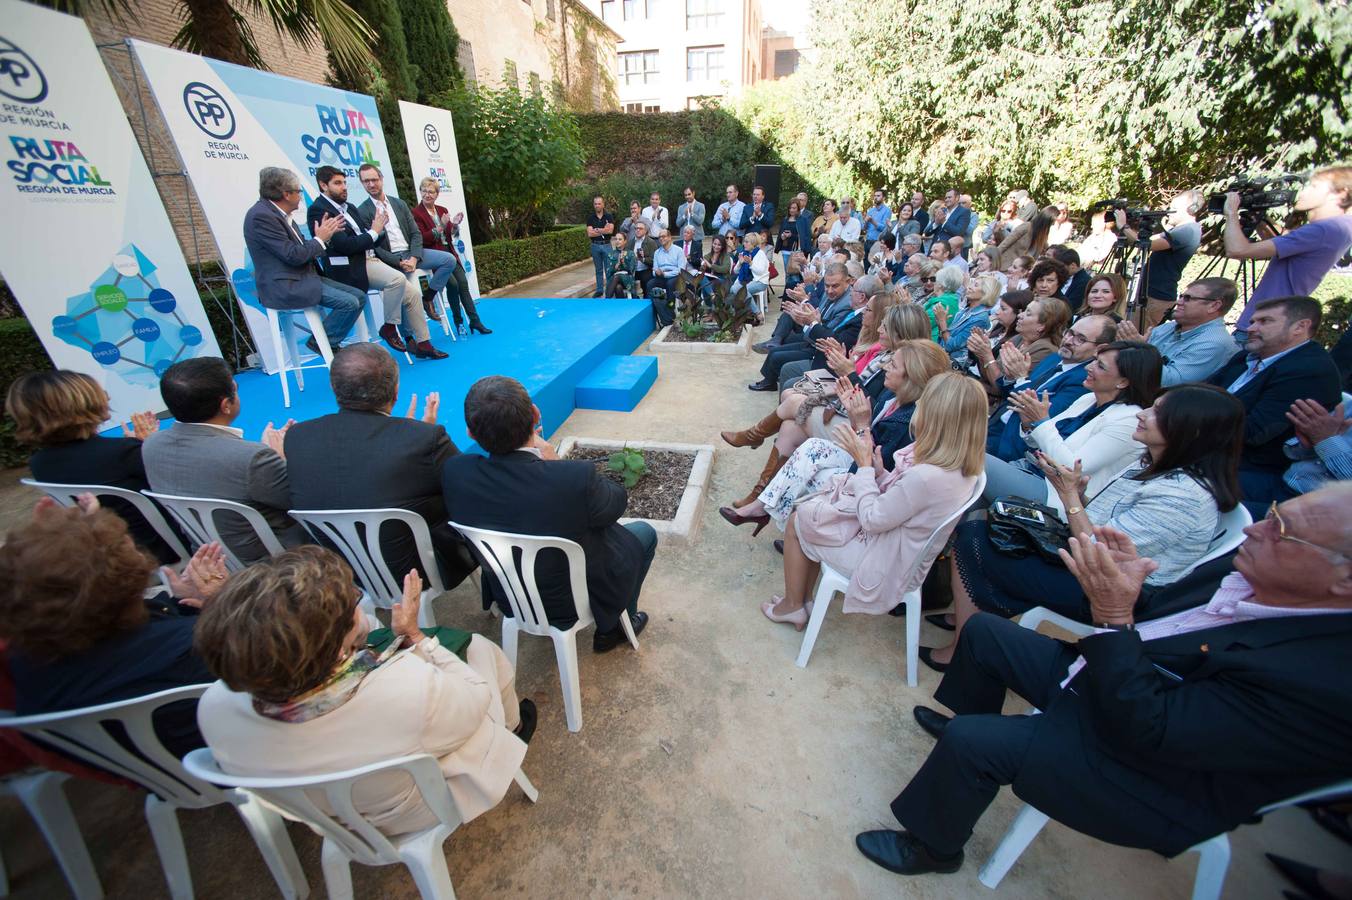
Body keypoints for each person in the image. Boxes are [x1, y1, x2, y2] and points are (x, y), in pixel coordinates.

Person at [860, 482, 1352, 880]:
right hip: (1118, 686)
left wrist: (1115, 617)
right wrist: (1127, 587)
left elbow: (1153, 733)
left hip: (1154, 772)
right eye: (1271, 512)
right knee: (987, 634)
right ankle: (973, 747)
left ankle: (934, 847)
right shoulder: (1253, 573)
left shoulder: (1322, 679)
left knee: (975, 742)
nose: (1257, 530)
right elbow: (1162, 619)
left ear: (1344, 580)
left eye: (1282, 529)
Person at [194, 546, 534, 835]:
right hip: (412, 808)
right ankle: (513, 729)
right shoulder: (405, 688)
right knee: (479, 651)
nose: (360, 609)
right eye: (352, 605)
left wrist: (240, 616)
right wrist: (416, 638)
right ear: (336, 650)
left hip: (328, 818)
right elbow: (475, 698)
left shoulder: (214, 706)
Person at [925, 381, 1245, 670]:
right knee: (989, 524)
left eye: (1158, 412)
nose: (1143, 414)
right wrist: (1075, 493)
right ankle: (969, 622)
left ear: (1191, 431)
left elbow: (1099, 557)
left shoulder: (1182, 496)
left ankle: (964, 646)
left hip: (1110, 591)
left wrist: (1069, 497)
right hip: (1091, 561)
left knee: (976, 537)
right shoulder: (1152, 464)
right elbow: (1104, 524)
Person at [0, 499, 229, 759]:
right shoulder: (196, 645)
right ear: (123, 581)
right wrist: (224, 604)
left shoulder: (25, 660)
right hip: (223, 753)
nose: (143, 558)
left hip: (138, 765)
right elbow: (268, 659)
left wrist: (182, 602)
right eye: (133, 552)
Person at [442, 376, 655, 653]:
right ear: (535, 414)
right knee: (644, 534)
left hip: (510, 596)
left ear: (470, 432)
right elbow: (615, 504)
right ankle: (611, 628)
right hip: (572, 600)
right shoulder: (572, 478)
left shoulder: (456, 473)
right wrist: (554, 463)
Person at [762, 373, 986, 627]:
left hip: (885, 564)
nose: (919, 406)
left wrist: (865, 466)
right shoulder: (961, 468)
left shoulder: (927, 476)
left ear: (936, 418)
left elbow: (872, 519)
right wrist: (881, 473)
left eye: (925, 403)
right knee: (814, 513)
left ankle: (793, 605)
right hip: (902, 553)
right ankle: (804, 600)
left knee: (799, 520)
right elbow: (908, 500)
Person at [283, 344, 477, 587]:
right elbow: (470, 486)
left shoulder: (297, 437)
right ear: (396, 391)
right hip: (416, 573)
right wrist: (415, 433)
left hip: (335, 569)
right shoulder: (424, 439)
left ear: (334, 388)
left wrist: (407, 433)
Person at [722, 338, 950, 531]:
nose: (885, 366)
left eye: (893, 365)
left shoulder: (906, 421)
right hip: (861, 457)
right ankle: (764, 505)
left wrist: (860, 424)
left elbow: (872, 467)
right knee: (800, 438)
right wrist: (856, 418)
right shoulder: (893, 399)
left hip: (869, 484)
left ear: (911, 376)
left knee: (808, 459)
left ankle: (793, 525)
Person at [141, 357, 308, 563]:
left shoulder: (151, 445)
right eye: (235, 390)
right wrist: (280, 456)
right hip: (271, 560)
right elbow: (302, 501)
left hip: (207, 557)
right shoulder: (252, 459)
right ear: (226, 405)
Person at [8, 370, 179, 562]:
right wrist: (149, 445)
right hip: (164, 547)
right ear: (84, 404)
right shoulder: (124, 452)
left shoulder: (39, 463)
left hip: (106, 549)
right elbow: (177, 487)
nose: (107, 397)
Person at [981, 341, 1163, 512]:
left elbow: (1071, 468)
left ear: (1123, 382)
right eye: (1094, 361)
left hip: (1055, 494)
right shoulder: (1088, 399)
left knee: (970, 460)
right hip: (1028, 468)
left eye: (1100, 366)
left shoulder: (1128, 420)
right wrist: (1029, 424)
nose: (1087, 368)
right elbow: (1040, 444)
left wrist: (1042, 422)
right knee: (969, 498)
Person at [1206, 295, 1343, 505]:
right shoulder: (1247, 356)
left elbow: (1252, 432)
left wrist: (1187, 421)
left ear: (1300, 327)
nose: (1251, 328)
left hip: (1248, 468)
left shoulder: (1308, 371)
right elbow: (1199, 392)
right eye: (1252, 321)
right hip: (1208, 448)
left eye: (1265, 321)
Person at [244, 166, 361, 354]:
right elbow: (293, 256)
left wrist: (325, 237)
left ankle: (327, 341)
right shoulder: (261, 216)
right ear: (286, 194)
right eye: (299, 191)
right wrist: (320, 239)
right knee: (349, 303)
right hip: (286, 285)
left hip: (304, 277)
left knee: (359, 296)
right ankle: (322, 343)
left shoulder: (280, 215)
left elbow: (301, 250)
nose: (300, 196)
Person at [1225, 166, 1352, 336]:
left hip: (1261, 325)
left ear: (1341, 194)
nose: (1304, 192)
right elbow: (1286, 241)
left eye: (1314, 186)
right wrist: (1260, 219)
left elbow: (1237, 250)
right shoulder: (1340, 226)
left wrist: (1231, 212)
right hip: (1277, 322)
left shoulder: (1322, 230)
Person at [985, 311, 1114, 461]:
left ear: (1100, 348)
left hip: (1013, 445)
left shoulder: (1085, 380)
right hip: (994, 424)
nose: (1069, 340)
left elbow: (1039, 415)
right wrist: (1010, 376)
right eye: (1070, 333)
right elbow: (1011, 395)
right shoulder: (1054, 358)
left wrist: (1020, 378)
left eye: (1080, 339)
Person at [354, 164, 446, 359]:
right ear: (362, 183)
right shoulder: (362, 211)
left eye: (374, 179)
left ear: (381, 179)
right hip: (390, 260)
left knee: (448, 260)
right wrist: (398, 262)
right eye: (366, 181)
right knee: (404, 287)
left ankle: (428, 298)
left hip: (412, 253)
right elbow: (374, 247)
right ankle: (412, 339)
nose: (371, 184)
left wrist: (414, 257)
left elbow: (415, 233)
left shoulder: (399, 204)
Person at [748, 263, 858, 392]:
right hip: (812, 338)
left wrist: (807, 320)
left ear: (848, 281)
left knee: (778, 356)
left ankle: (771, 380)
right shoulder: (832, 294)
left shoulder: (847, 303)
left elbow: (827, 331)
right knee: (776, 349)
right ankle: (770, 376)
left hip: (819, 348)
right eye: (827, 286)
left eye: (835, 286)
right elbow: (818, 312)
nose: (829, 290)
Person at [1116, 277, 1238, 384]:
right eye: (1181, 296)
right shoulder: (1169, 327)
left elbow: (1168, 382)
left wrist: (1137, 350)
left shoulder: (1214, 343)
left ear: (1214, 306)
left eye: (1188, 298)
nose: (1178, 302)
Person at [1114, 189, 1203, 329]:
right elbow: (1147, 239)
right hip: (1151, 291)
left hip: (1157, 295)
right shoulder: (1180, 230)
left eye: (1173, 209)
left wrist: (1123, 225)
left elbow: (1145, 245)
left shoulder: (1188, 230)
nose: (1168, 211)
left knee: (1134, 333)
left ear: (1190, 209)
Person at [410, 177, 490, 333]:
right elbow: (421, 238)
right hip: (434, 256)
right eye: (424, 191)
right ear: (420, 192)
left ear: (437, 194)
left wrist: (453, 225)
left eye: (431, 191)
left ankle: (475, 321)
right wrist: (440, 226)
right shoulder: (415, 213)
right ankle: (459, 323)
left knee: (463, 284)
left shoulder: (442, 210)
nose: (427, 195)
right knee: (453, 285)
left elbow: (448, 235)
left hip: (449, 253)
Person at [967, 295, 1070, 394]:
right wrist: (981, 353)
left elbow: (1001, 388)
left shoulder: (1045, 350)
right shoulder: (1019, 338)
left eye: (1028, 313)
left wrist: (987, 355)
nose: (1020, 315)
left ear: (1042, 325)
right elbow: (988, 376)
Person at [1282, 398, 1352, 495]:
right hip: (1287, 479)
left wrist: (1325, 440)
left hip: (1318, 505)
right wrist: (1310, 446)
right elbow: (1294, 450)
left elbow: (1324, 437)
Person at [936, 273, 998, 366]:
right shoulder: (966, 311)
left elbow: (951, 345)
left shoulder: (981, 319)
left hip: (954, 365)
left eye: (975, 285)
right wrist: (941, 324)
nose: (969, 287)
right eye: (971, 283)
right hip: (942, 356)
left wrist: (942, 322)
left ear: (986, 292)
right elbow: (944, 338)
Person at [650, 228, 685, 326]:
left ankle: (670, 308)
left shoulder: (678, 250)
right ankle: (654, 310)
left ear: (669, 237)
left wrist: (665, 274)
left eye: (663, 236)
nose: (661, 239)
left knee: (670, 283)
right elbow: (654, 269)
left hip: (675, 276)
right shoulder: (657, 252)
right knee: (650, 284)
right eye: (659, 237)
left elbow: (681, 270)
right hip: (661, 276)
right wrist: (656, 272)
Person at [734, 231, 772, 318]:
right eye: (744, 241)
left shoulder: (760, 254)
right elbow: (735, 271)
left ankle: (757, 313)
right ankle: (741, 314)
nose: (744, 244)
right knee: (733, 289)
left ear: (753, 243)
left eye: (747, 242)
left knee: (744, 291)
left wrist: (751, 263)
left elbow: (760, 271)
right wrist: (740, 263)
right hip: (746, 281)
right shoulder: (743, 253)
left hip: (760, 281)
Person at [585, 195, 616, 297]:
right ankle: (599, 290)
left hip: (607, 245)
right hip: (595, 246)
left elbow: (610, 230)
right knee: (598, 270)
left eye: (599, 203)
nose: (597, 205)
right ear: (594, 205)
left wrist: (597, 230)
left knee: (609, 269)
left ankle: (609, 291)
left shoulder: (609, 217)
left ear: (603, 204)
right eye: (595, 204)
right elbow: (589, 233)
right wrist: (603, 230)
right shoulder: (590, 218)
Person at [924, 265, 963, 342]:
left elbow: (921, 323)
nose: (933, 283)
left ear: (940, 285)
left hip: (929, 342)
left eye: (935, 280)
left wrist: (908, 306)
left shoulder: (942, 303)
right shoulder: (951, 298)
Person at [604, 232, 638, 298]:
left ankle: (607, 299)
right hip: (613, 279)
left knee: (617, 276)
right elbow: (608, 272)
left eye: (620, 239)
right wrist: (615, 267)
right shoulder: (611, 254)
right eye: (616, 239)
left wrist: (623, 263)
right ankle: (622, 306)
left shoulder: (630, 253)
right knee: (618, 287)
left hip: (627, 278)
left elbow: (632, 270)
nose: (617, 241)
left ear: (625, 241)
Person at [631, 220, 657, 297]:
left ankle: (647, 303)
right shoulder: (631, 242)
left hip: (646, 270)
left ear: (645, 231)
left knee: (647, 284)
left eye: (640, 228)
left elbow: (654, 261)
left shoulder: (651, 242)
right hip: (633, 271)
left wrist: (643, 259)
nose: (638, 230)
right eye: (636, 228)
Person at [777, 200, 802, 278]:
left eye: (794, 208)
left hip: (796, 250)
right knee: (787, 273)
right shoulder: (785, 219)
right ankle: (787, 289)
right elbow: (781, 231)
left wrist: (792, 235)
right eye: (790, 208)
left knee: (795, 274)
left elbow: (803, 235)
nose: (791, 210)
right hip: (785, 249)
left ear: (798, 209)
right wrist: (782, 236)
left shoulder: (801, 220)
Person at [864, 189, 892, 254]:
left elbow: (884, 228)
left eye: (878, 196)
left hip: (877, 242)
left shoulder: (887, 211)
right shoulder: (871, 210)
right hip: (867, 241)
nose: (876, 198)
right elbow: (865, 228)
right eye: (875, 196)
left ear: (884, 198)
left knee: (875, 263)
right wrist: (865, 221)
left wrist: (872, 221)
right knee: (866, 263)